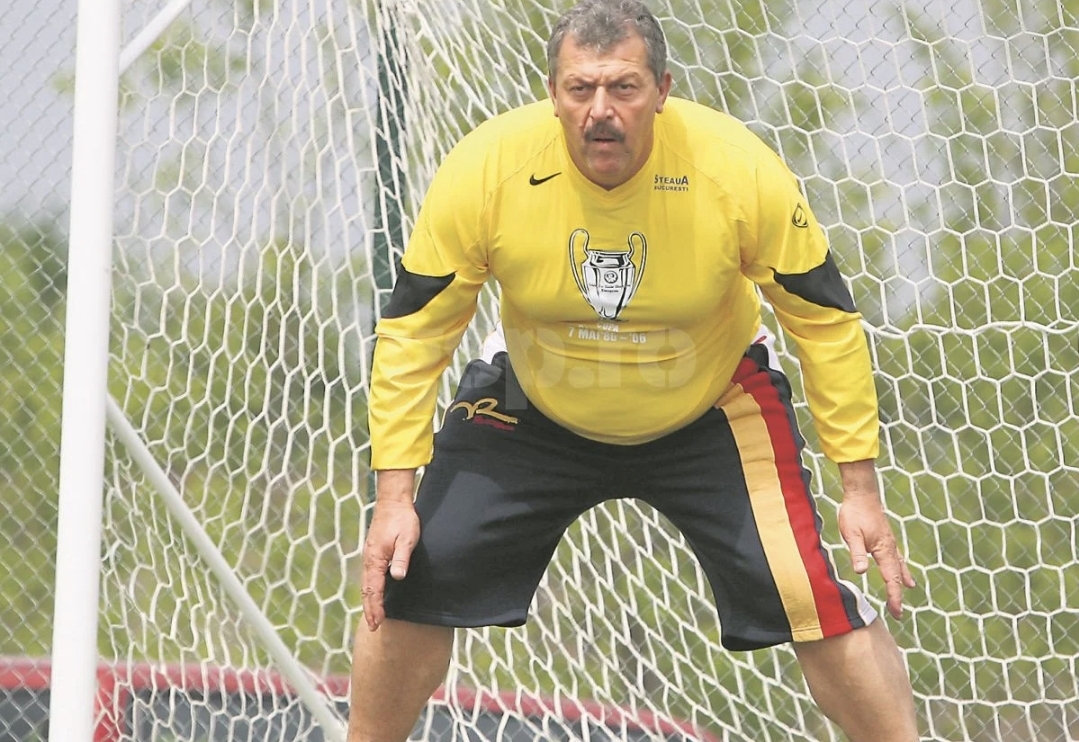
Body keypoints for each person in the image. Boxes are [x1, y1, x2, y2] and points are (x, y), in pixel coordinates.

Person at [348, 1, 919, 740]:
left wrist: (860, 489)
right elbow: (414, 330)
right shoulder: (486, 168)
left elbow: (824, 319)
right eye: (580, 89)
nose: (600, 111)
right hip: (534, 398)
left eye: (622, 87)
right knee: (413, 570)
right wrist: (394, 497)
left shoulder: (735, 168)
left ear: (662, 91)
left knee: (809, 593)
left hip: (711, 402)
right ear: (552, 95)